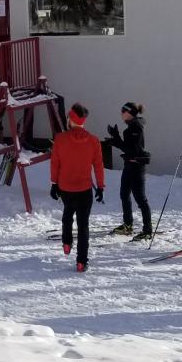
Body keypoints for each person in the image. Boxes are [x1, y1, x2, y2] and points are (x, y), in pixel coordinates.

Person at [50, 103, 106, 272]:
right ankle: (81, 261)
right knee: (83, 226)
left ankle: (66, 242)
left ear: (70, 119)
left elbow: (55, 163)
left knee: (67, 214)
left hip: (65, 187)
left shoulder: (60, 139)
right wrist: (101, 187)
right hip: (84, 189)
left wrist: (54, 184)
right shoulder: (94, 141)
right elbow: (98, 165)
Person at [104, 101, 152, 241]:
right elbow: (128, 147)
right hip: (129, 166)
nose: (121, 114)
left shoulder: (136, 127)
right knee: (124, 194)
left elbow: (133, 149)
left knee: (140, 199)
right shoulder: (131, 127)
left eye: (122, 111)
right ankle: (128, 225)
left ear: (129, 112)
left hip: (136, 167)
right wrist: (115, 140)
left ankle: (147, 230)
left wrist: (116, 139)